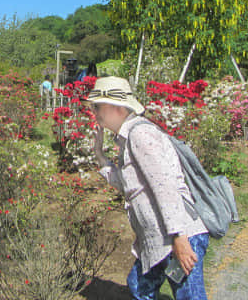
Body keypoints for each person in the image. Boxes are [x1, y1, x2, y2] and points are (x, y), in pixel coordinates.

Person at [84, 76, 209, 300]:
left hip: (177, 237)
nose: (94, 112)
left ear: (116, 106)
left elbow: (165, 187)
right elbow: (127, 185)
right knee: (139, 287)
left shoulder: (140, 135)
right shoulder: (128, 137)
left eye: (97, 106)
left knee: (189, 296)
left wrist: (179, 238)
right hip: (158, 240)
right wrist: (99, 154)